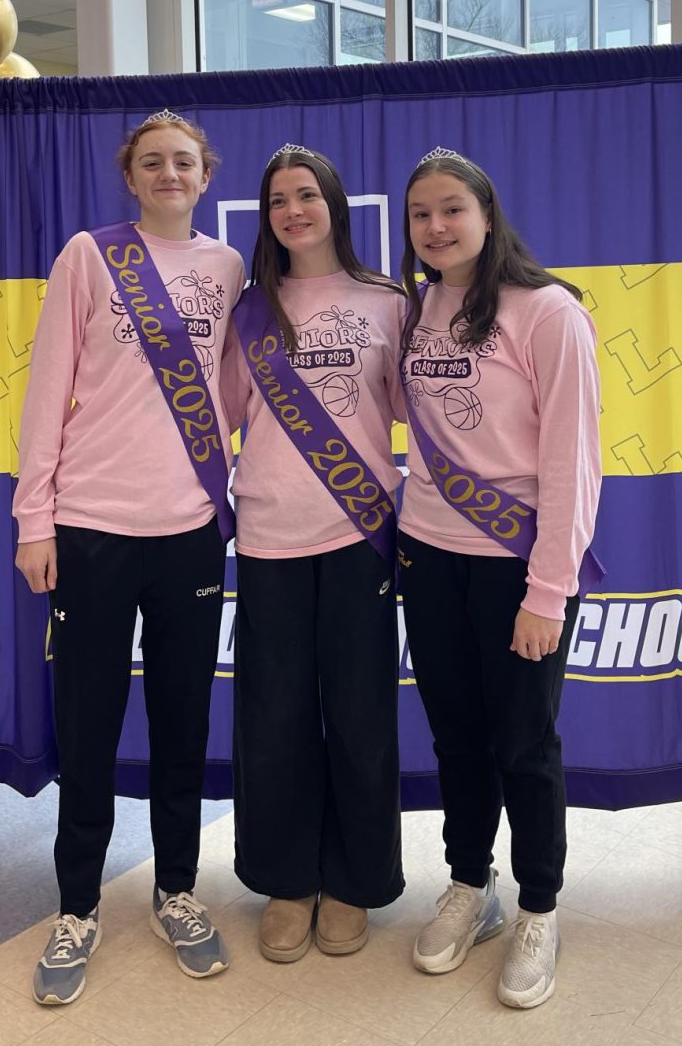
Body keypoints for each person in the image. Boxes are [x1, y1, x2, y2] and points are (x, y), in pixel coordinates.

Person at [13, 110, 246, 1004]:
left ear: (204, 174)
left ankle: (177, 892)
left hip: (189, 527)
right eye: (152, 162)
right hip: (92, 527)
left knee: (185, 719)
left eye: (182, 162)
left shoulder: (225, 268)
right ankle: (77, 906)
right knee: (89, 722)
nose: (168, 173)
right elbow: (46, 392)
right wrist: (35, 519)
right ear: (130, 174)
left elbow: (229, 388)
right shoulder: (89, 256)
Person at [395, 147, 601, 1009]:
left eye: (451, 210)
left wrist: (546, 590)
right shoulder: (414, 311)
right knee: (455, 737)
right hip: (426, 553)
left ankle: (539, 908)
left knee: (524, 742)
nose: (436, 228)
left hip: (516, 562)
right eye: (419, 215)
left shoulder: (547, 311)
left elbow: (572, 460)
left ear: (486, 215)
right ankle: (469, 887)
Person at [223, 145, 406, 963]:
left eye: (306, 194)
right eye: (277, 200)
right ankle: (286, 881)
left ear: (333, 202)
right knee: (272, 719)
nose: (293, 209)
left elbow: (427, 415)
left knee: (363, 719)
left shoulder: (389, 302)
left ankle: (356, 882)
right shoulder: (249, 308)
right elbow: (213, 414)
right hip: (267, 533)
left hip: (361, 533)